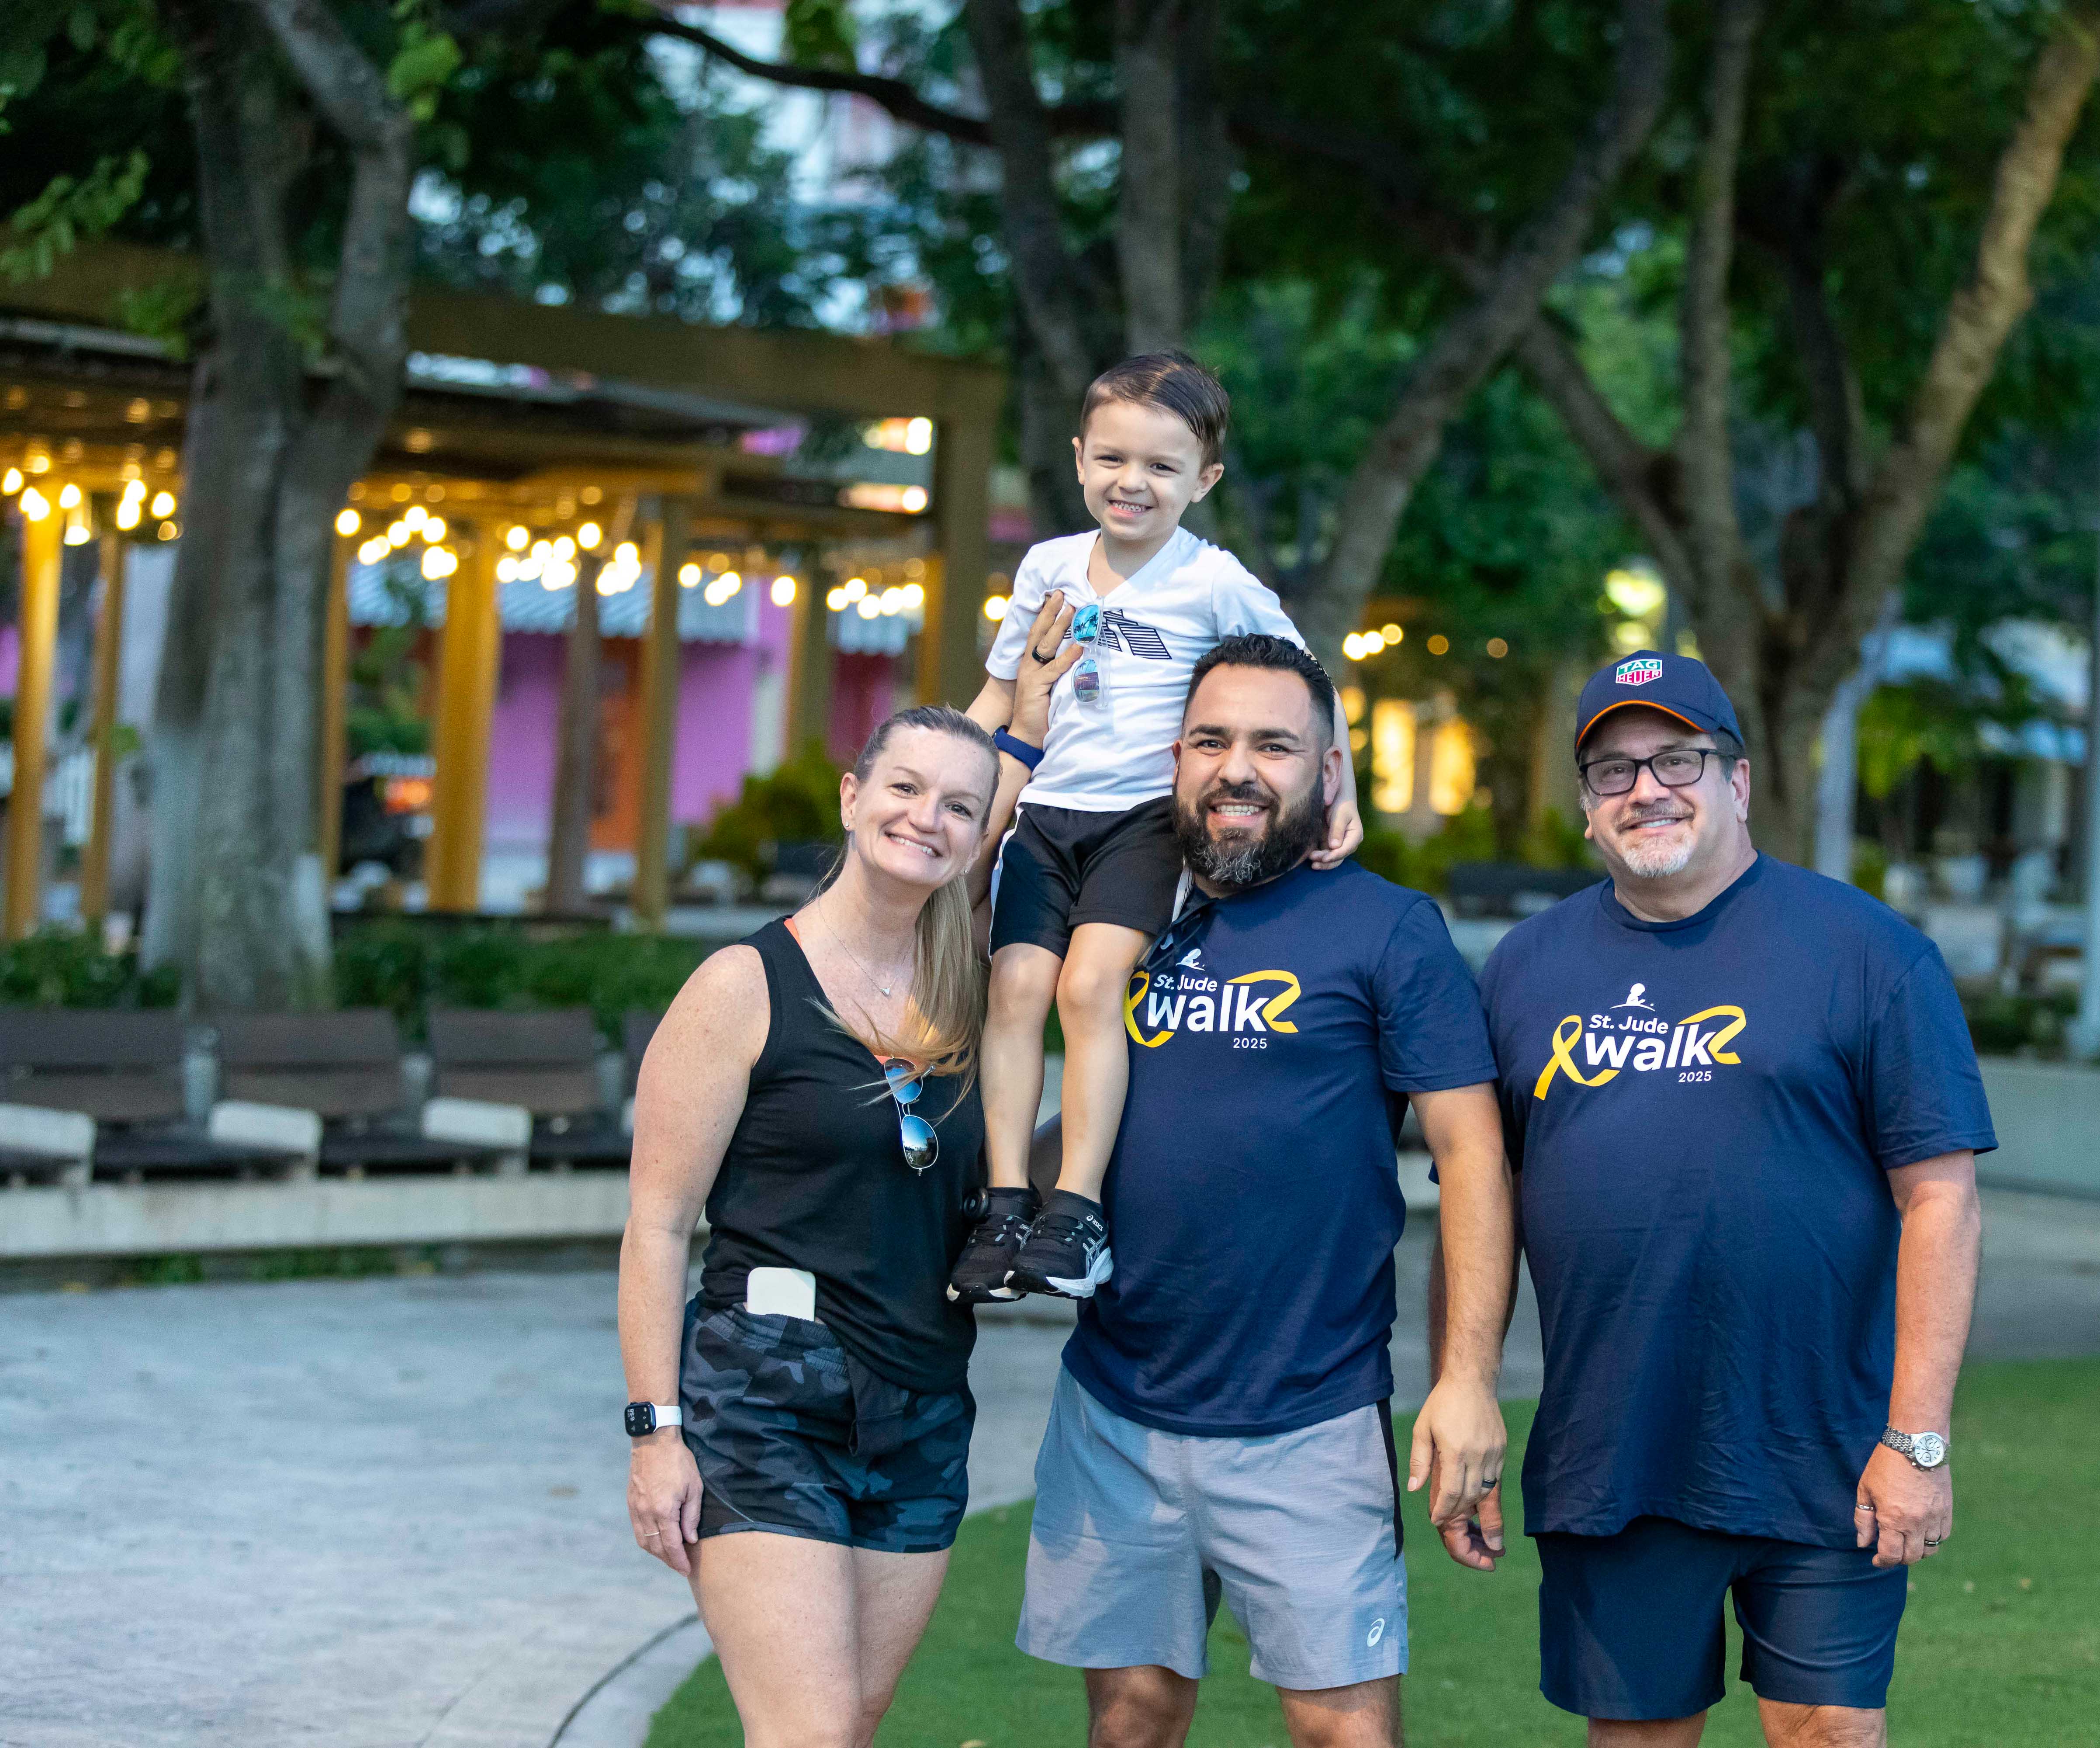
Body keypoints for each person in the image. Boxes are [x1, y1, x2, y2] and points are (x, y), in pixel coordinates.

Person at [1460, 650, 1993, 1748]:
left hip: (1826, 1450)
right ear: (1586, 805)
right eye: (1613, 770)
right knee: (1640, 1739)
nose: (1647, 788)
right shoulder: (1523, 969)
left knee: (1828, 1732)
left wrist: (1920, 1441)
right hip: (1616, 1448)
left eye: (1677, 759)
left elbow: (1942, 1200)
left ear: (1738, 780)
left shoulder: (1871, 955)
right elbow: (1483, 1204)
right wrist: (1464, 1387)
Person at [1015, 634, 1512, 1748]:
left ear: (1329, 773)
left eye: (1275, 745)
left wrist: (1466, 1379)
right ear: (1175, 759)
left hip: (1308, 1412)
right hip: (1115, 1401)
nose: (1238, 768)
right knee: (1131, 1722)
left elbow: (1474, 1157)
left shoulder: (1389, 929)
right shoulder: (1123, 923)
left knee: (1343, 1733)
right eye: (1211, 739)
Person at [615, 600, 1077, 1745]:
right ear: (852, 796)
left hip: (925, 1402)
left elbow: (1008, 1172)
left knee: (849, 1726)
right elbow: (657, 1225)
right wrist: (655, 1433)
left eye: (960, 809)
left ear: (984, 838)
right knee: (811, 1734)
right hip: (767, 1396)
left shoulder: (979, 1001)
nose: (928, 818)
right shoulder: (743, 985)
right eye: (903, 788)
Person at [955, 351, 1360, 1305]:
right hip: (1047, 817)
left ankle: (1078, 1212)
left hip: (1141, 820)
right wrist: (945, 779)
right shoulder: (1048, 565)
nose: (1132, 483)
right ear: (1080, 458)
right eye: (1112, 459)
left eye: (1162, 467)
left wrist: (1340, 786)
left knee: (1092, 988)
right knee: (1015, 989)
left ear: (1204, 481)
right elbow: (999, 691)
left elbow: (1309, 686)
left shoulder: (1212, 580)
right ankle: (1007, 1201)